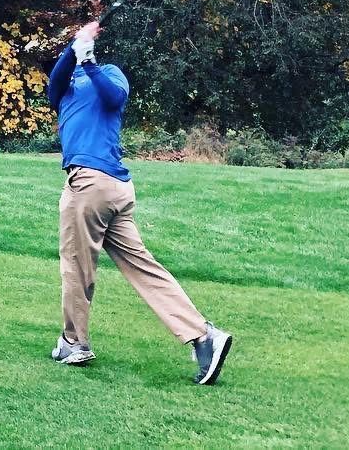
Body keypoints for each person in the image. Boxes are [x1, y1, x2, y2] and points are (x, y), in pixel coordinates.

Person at [46, 21, 233, 385]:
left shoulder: (110, 75)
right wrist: (75, 48)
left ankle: (74, 342)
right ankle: (204, 335)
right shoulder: (64, 91)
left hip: (92, 184)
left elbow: (113, 97)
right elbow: (55, 80)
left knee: (76, 266)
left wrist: (89, 61)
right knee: (142, 266)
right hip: (112, 189)